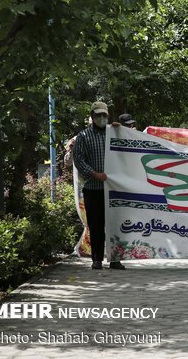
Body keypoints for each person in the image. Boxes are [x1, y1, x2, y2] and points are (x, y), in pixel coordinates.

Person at [73, 101, 126, 270]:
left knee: (114, 225)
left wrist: (121, 130)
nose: (101, 118)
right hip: (93, 189)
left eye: (104, 115)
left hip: (113, 190)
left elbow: (131, 147)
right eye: (98, 115)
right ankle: (97, 259)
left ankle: (115, 259)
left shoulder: (115, 133)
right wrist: (95, 174)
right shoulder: (83, 136)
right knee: (96, 225)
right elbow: (79, 160)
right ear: (92, 116)